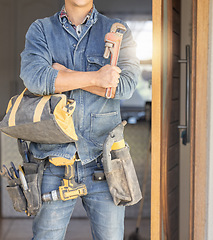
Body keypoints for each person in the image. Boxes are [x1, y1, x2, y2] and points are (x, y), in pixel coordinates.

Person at [20, 0, 140, 239]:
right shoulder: (41, 30)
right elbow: (36, 80)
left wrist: (63, 75)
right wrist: (98, 78)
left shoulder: (118, 30)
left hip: (104, 162)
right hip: (52, 160)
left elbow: (125, 87)